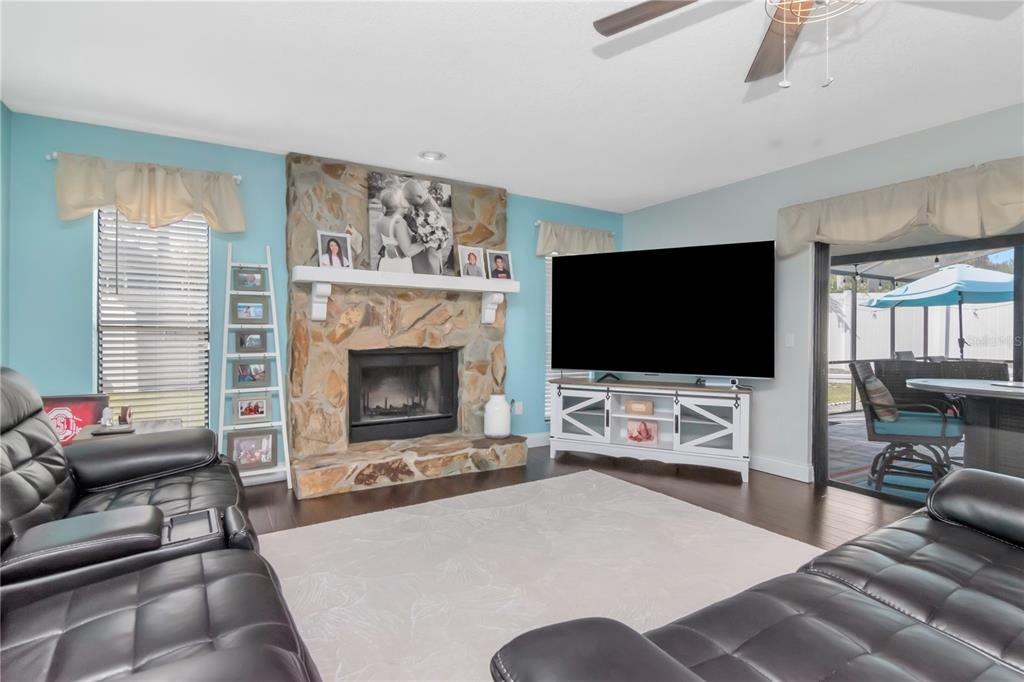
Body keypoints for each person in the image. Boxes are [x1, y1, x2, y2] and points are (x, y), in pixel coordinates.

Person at [377, 187, 418, 273]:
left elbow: (380, 243)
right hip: (399, 266)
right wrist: (427, 243)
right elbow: (408, 251)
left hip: (385, 263)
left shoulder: (381, 218)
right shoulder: (399, 222)